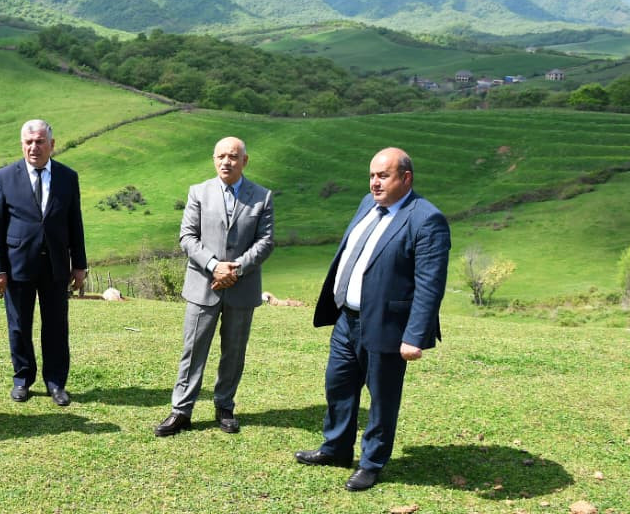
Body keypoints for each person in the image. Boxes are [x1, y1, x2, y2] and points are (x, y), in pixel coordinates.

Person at [295, 147, 450, 491]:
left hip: (388, 326)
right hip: (347, 320)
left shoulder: (427, 219)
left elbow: (430, 284)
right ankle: (335, 448)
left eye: (383, 176)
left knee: (382, 396)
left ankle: (372, 462)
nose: (375, 183)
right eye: (371, 176)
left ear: (406, 178)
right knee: (338, 385)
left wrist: (414, 335)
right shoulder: (368, 205)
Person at [155, 137, 274, 437]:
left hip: (242, 287)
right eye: (221, 156)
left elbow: (266, 241)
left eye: (233, 156)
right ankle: (181, 410)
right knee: (193, 349)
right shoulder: (199, 192)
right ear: (213, 159)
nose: (226, 162)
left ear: (244, 161)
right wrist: (214, 265)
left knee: (234, 351)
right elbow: (187, 237)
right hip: (203, 285)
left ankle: (224, 406)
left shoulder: (262, 196)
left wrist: (236, 268)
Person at [0, 119, 88, 406]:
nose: (34, 147)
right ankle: (23, 379)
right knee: (19, 325)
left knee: (56, 326)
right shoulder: (4, 178)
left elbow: (74, 222)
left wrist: (79, 264)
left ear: (52, 145)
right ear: (22, 144)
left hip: (56, 265)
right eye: (29, 142)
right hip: (17, 266)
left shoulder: (68, 177)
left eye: (40, 141)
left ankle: (56, 383)